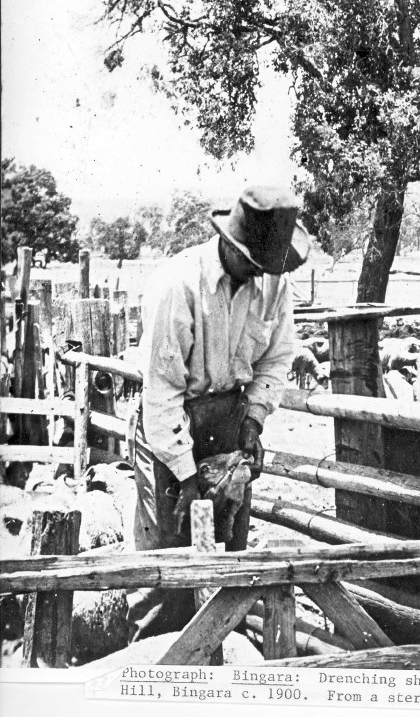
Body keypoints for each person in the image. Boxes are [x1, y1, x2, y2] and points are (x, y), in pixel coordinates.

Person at [127, 185, 309, 642]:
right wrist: (187, 479)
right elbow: (162, 390)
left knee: (230, 557)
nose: (262, 274)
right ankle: (151, 669)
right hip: (171, 425)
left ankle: (220, 671)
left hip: (229, 424)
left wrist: (252, 421)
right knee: (168, 564)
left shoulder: (272, 280)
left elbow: (276, 358)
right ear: (230, 242)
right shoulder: (178, 285)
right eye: (255, 263)